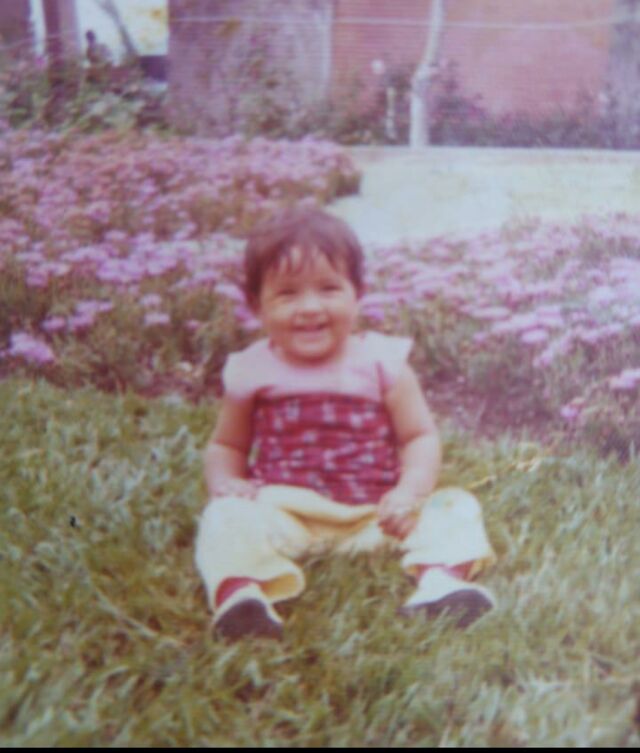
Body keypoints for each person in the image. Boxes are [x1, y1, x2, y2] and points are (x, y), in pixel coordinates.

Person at [195, 207, 497, 640]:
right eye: (287, 294)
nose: (310, 307)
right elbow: (227, 445)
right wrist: (227, 483)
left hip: (375, 516)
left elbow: (419, 436)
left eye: (329, 288)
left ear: (358, 293)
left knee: (454, 505)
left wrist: (409, 494)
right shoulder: (251, 370)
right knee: (224, 516)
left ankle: (442, 584)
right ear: (256, 305)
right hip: (285, 513)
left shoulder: (382, 362)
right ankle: (242, 597)